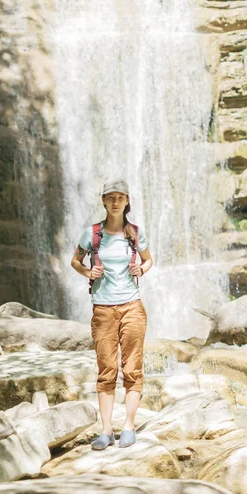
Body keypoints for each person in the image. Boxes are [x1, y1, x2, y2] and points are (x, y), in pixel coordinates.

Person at [71, 178, 153, 450]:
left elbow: (148, 259)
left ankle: (128, 426)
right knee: (106, 370)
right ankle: (106, 431)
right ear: (104, 201)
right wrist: (87, 271)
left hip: (132, 306)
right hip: (103, 309)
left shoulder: (134, 233)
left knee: (132, 368)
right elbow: (75, 260)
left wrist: (142, 269)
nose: (116, 202)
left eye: (120, 197)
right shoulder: (92, 234)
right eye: (111, 197)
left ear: (127, 201)